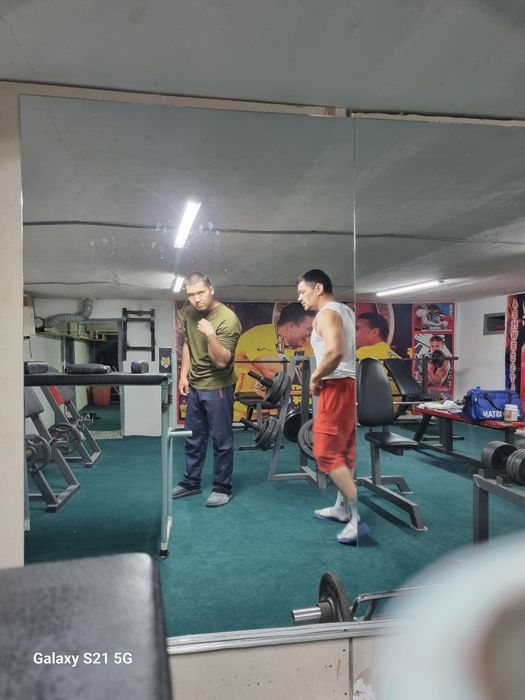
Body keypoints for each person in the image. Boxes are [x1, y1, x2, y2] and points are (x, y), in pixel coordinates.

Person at [297, 269, 367, 545]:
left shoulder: (326, 314)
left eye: (302, 291)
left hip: (335, 387)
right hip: (346, 385)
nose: (300, 298)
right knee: (344, 452)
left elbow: (335, 352)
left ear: (318, 288)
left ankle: (356, 517)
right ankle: (341, 508)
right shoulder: (345, 311)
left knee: (325, 451)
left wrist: (315, 376)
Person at [172, 272, 242, 507]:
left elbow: (221, 361)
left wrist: (211, 335)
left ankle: (223, 488)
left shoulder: (228, 319)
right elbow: (187, 343)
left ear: (211, 289)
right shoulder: (189, 312)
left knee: (221, 440)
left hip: (218, 386)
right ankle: (191, 482)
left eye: (201, 292)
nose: (196, 299)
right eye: (191, 295)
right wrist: (183, 374)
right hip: (195, 385)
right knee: (193, 437)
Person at [234, 302, 315, 418]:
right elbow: (272, 373)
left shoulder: (308, 341)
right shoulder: (257, 335)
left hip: (291, 413)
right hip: (251, 416)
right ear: (290, 326)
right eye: (309, 329)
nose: (311, 334)